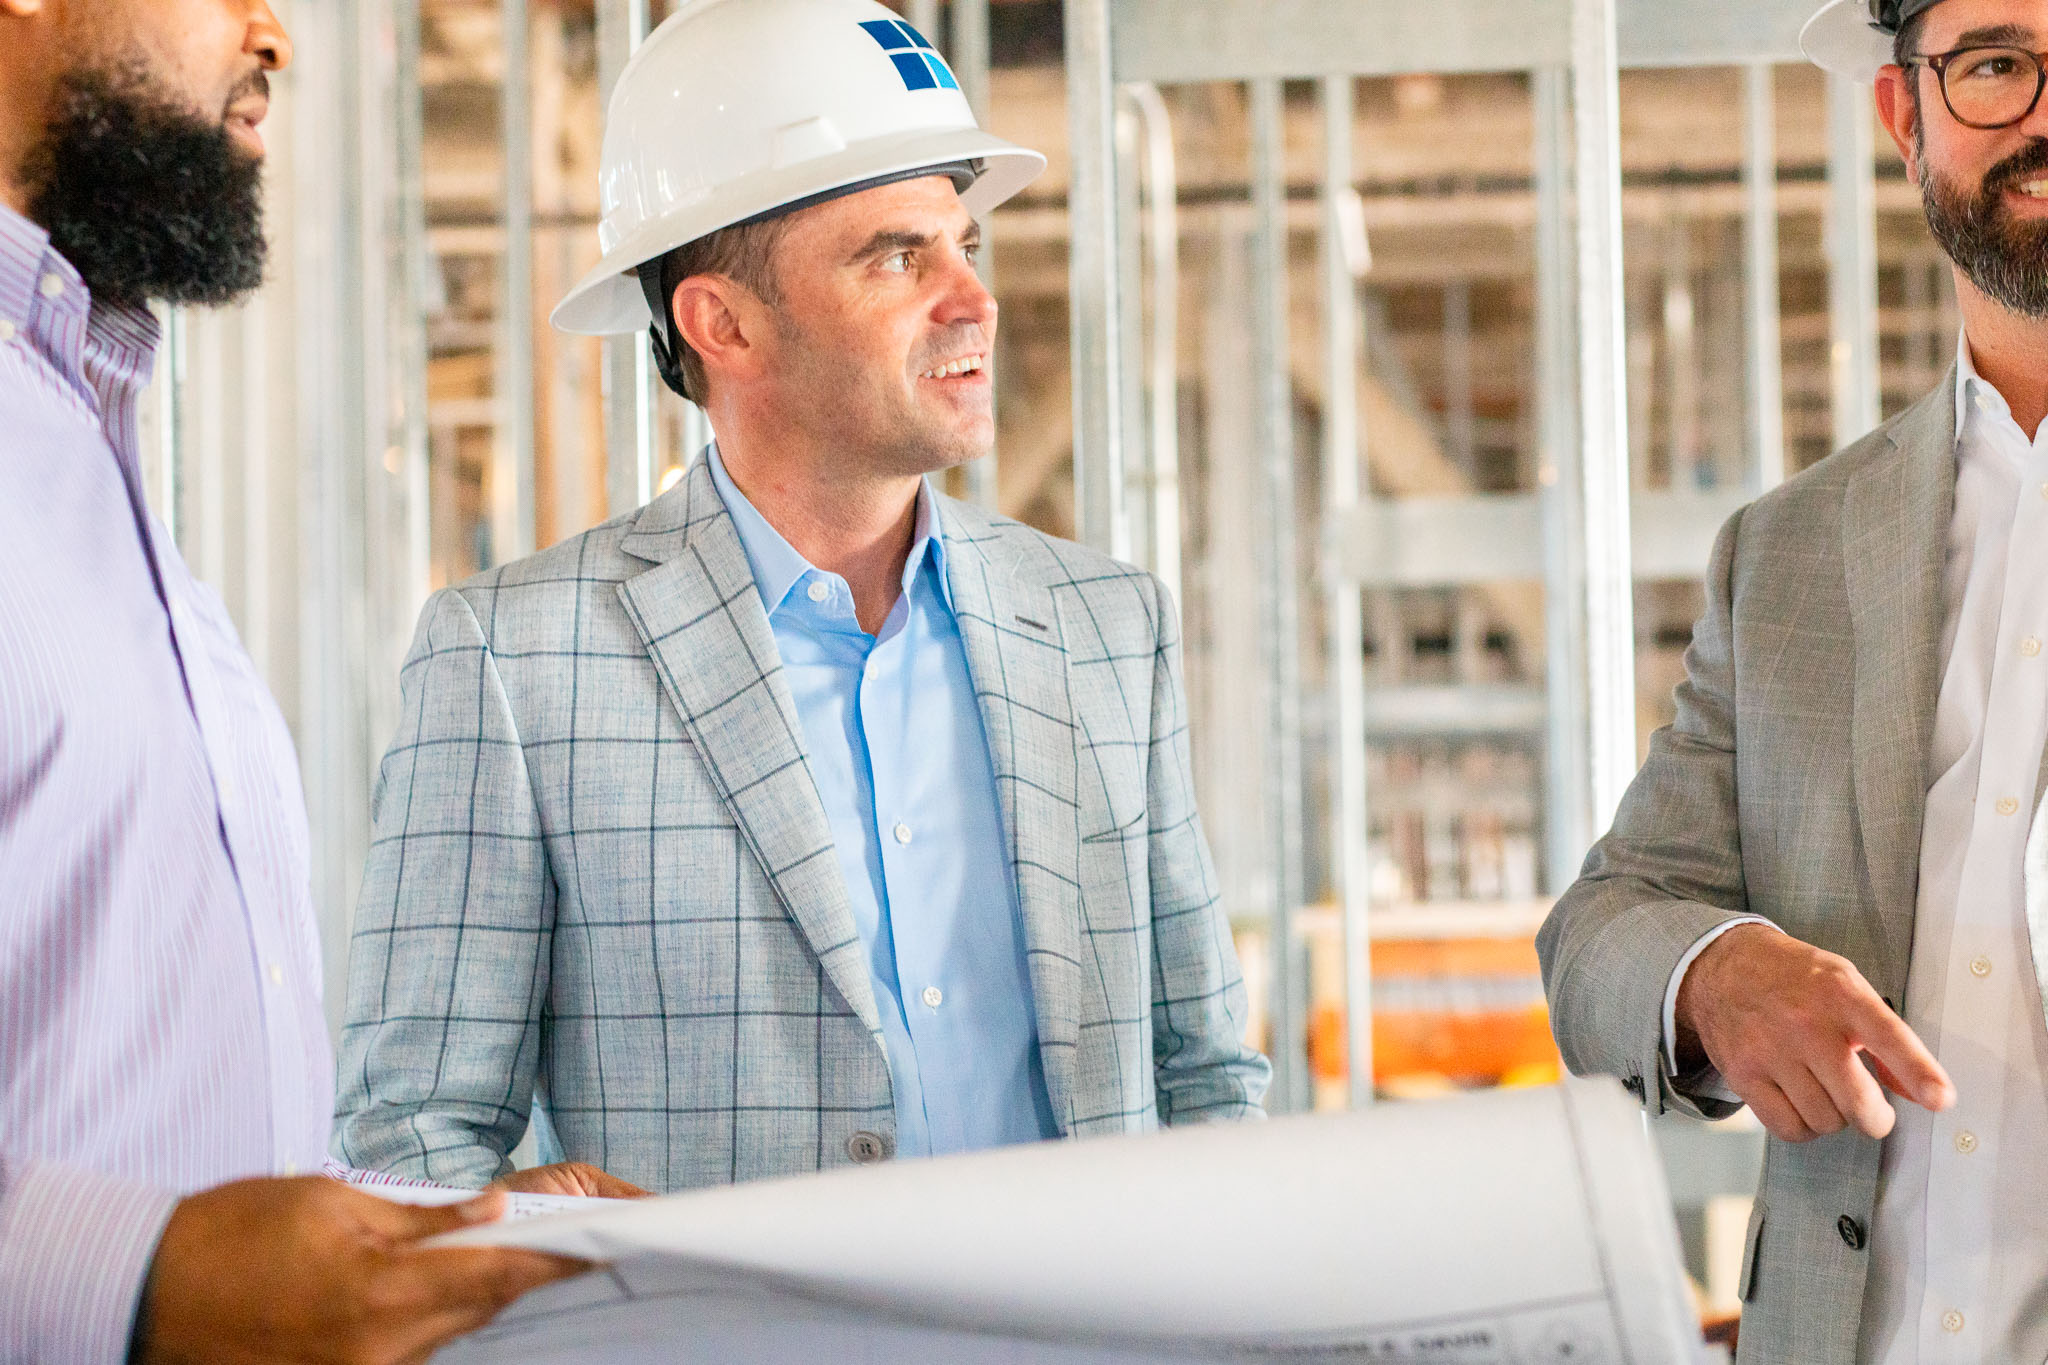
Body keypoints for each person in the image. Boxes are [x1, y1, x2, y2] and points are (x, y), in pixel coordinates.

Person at [333, 0, 1269, 1193]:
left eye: (963, 245)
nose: (970, 298)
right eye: (896, 255)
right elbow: (408, 1138)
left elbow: (1205, 1077)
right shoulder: (516, 663)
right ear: (720, 321)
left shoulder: (1099, 624)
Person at [0, 3, 636, 1361]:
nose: (273, 34)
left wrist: (407, 1229)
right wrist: (145, 1280)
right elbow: (153, 1252)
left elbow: (123, 1106)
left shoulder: (81, 447)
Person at [1539, 0, 2048, 1360]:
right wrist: (1712, 972)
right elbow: (1597, 930)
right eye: (1998, 64)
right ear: (1906, 118)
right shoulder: (1794, 553)